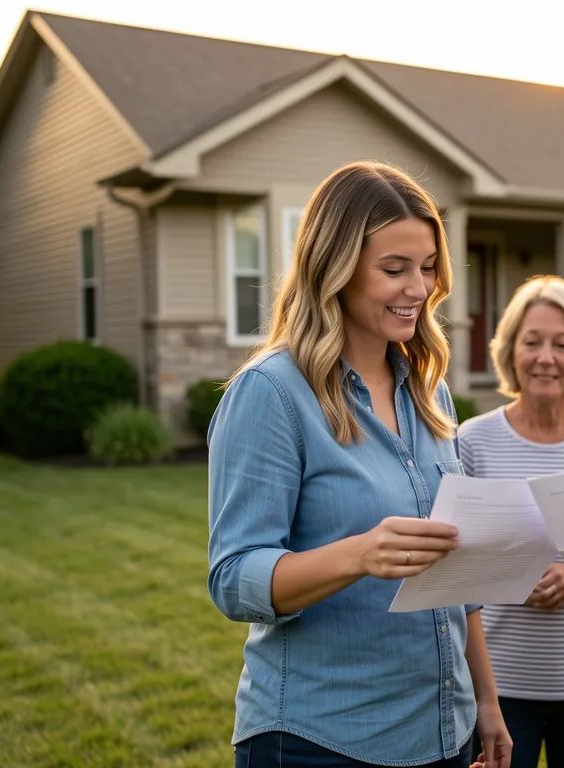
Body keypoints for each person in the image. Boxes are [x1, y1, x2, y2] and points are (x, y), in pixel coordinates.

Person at [206, 161, 511, 768]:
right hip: (323, 739)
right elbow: (233, 576)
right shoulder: (272, 393)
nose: (419, 288)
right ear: (335, 269)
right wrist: (359, 555)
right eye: (394, 269)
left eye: (427, 268)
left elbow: (458, 572)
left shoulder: (430, 393)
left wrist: (486, 699)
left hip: (441, 733)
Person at [457, 276, 564, 768]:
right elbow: (453, 566)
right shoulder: (472, 442)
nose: (545, 357)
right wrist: (510, 574)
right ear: (511, 353)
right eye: (531, 342)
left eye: (562, 344)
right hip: (500, 689)